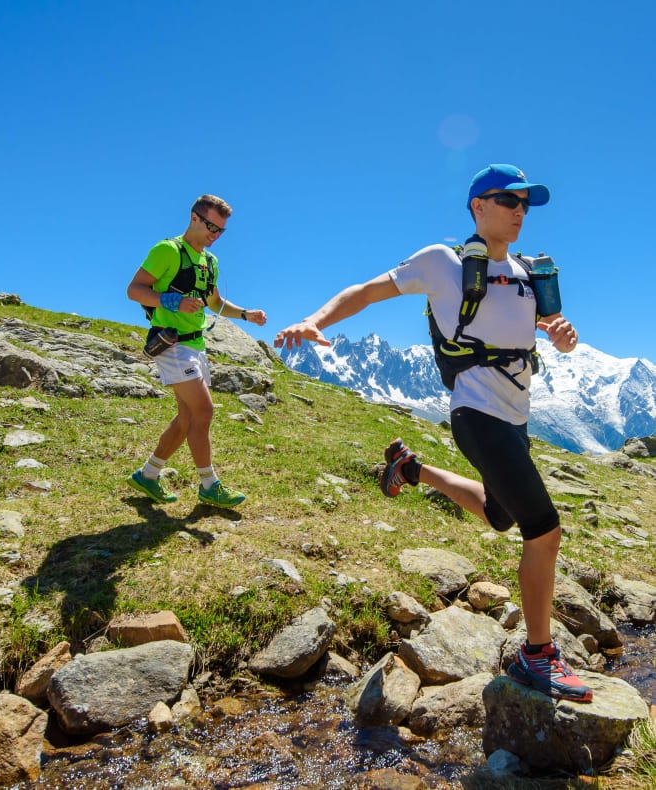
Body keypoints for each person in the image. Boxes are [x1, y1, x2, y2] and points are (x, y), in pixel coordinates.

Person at [274, 164, 592, 703]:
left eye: (526, 203)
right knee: (544, 529)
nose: (520, 210)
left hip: (516, 420)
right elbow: (368, 291)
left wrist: (563, 336)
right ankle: (536, 654)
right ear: (478, 207)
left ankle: (410, 468)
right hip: (476, 414)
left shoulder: (528, 273)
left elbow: (547, 335)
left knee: (499, 513)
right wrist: (317, 320)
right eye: (508, 200)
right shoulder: (443, 262)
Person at [126, 194, 267, 508]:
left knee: (187, 417)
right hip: (172, 344)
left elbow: (215, 303)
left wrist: (246, 314)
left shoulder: (210, 261)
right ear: (194, 218)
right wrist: (172, 301)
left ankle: (147, 475)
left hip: (197, 345)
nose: (214, 236)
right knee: (204, 411)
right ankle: (209, 484)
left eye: (220, 231)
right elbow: (134, 290)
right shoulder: (168, 250)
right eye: (210, 227)